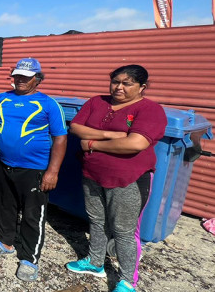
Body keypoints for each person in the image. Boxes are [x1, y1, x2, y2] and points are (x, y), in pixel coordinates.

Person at [65, 65, 167, 292]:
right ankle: (94, 262)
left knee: (123, 231)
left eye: (127, 83)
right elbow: (76, 127)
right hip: (92, 174)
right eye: (115, 81)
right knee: (97, 221)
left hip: (127, 179)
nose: (119, 87)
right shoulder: (96, 102)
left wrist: (93, 144)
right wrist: (111, 134)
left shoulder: (150, 109)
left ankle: (127, 281)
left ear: (142, 87)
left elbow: (136, 143)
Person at [0, 58, 67, 282]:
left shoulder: (49, 104)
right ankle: (6, 242)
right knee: (4, 205)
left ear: (37, 79)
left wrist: (53, 171)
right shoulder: (1, 99)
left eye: (26, 77)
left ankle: (29, 258)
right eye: (17, 75)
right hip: (4, 163)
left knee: (32, 214)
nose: (20, 80)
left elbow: (60, 139)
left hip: (35, 169)